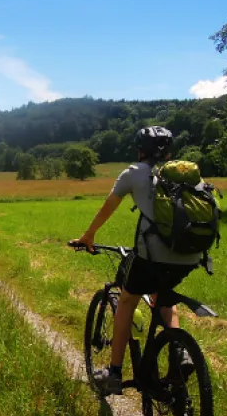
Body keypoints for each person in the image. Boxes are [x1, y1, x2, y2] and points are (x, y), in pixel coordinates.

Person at [69, 126, 198, 395]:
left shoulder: (134, 173)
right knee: (165, 299)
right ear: (169, 152)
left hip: (152, 256)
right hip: (189, 255)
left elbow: (108, 206)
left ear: (140, 150)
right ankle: (180, 352)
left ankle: (114, 372)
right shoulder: (187, 175)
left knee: (127, 298)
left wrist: (88, 237)